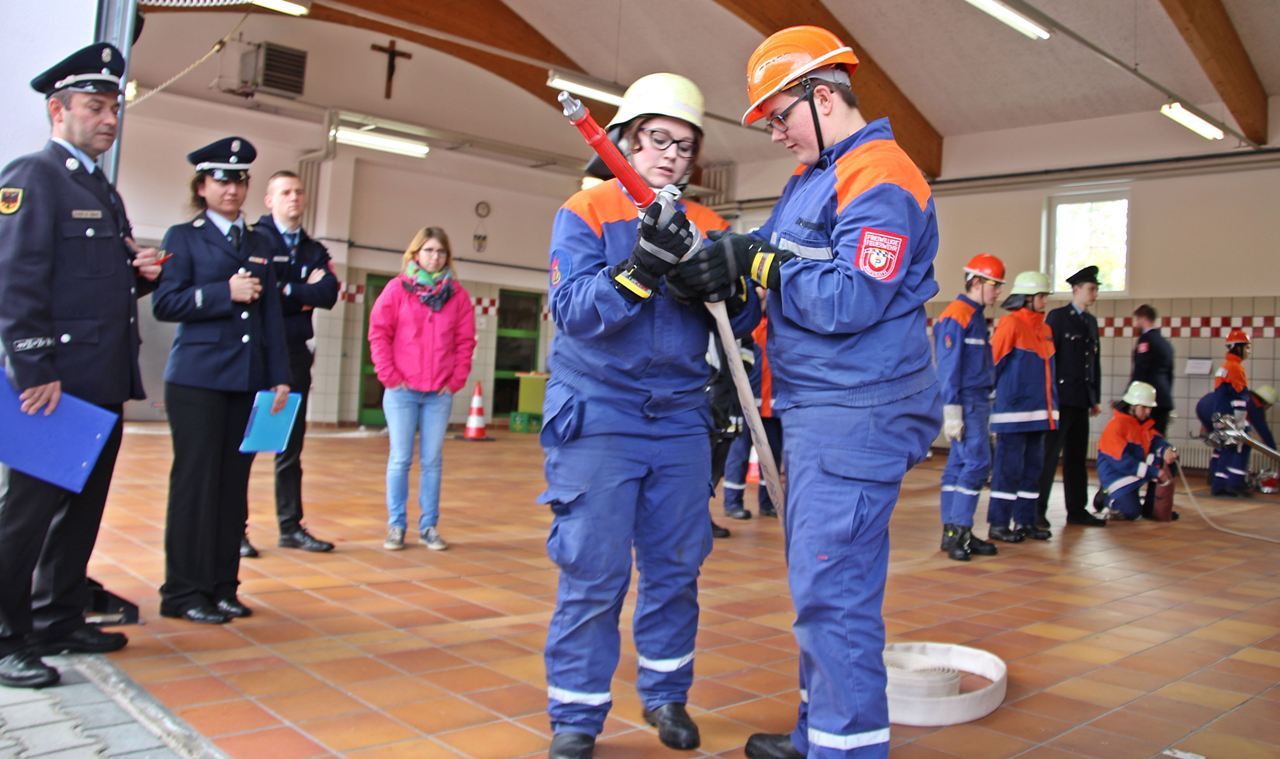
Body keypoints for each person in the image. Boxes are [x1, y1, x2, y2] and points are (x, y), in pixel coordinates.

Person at [673, 27, 941, 759]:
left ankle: (845, 748)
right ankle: (819, 730)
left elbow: (850, 297)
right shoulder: (811, 181)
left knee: (835, 588)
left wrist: (756, 262)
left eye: (780, 114)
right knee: (821, 581)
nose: (774, 131)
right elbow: (773, 282)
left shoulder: (881, 175)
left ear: (825, 97)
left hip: (861, 408)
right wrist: (723, 275)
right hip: (822, 404)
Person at [538, 73, 757, 759]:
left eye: (684, 146)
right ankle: (576, 712)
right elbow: (572, 312)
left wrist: (732, 284)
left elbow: (742, 316)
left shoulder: (710, 224)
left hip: (680, 417)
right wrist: (635, 271)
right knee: (594, 568)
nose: (670, 154)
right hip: (599, 412)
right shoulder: (587, 210)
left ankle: (666, 693)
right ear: (628, 141)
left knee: (675, 564)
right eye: (658, 139)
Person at [0, 43, 165, 688]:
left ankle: (57, 618)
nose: (108, 119)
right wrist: (34, 370)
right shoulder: (31, 178)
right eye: (95, 107)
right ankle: (7, 636)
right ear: (57, 110)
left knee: (81, 510)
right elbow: (16, 284)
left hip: (101, 381)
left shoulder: (99, 187)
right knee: (29, 514)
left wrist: (140, 274)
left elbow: (100, 284)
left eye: (113, 109)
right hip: (55, 385)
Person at [152, 137, 291, 624]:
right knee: (195, 484)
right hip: (197, 379)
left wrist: (279, 377)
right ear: (202, 185)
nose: (232, 189)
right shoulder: (182, 236)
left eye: (240, 180)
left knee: (233, 486)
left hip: (246, 379)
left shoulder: (259, 242)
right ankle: (183, 591)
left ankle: (222, 585)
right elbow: (165, 304)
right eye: (222, 180)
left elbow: (272, 314)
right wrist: (221, 292)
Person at [237, 170, 339, 558]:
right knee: (245, 445)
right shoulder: (252, 239)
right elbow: (258, 294)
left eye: (298, 192)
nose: (293, 198)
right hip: (256, 355)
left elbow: (328, 292)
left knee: (289, 447)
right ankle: (236, 530)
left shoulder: (314, 249)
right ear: (269, 200)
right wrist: (300, 291)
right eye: (285, 192)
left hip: (296, 355)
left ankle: (290, 527)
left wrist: (285, 289)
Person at [367, 228, 475, 552]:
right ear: (415, 254)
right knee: (400, 459)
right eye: (428, 251)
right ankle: (396, 526)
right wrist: (389, 376)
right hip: (401, 391)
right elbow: (378, 333)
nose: (435, 257)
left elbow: (465, 341)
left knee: (432, 461)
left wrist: (454, 381)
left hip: (438, 394)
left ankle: (429, 526)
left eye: (441, 252)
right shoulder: (396, 290)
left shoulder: (457, 295)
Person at [934, 254, 1004, 561]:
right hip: (967, 400)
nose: (998, 292)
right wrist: (952, 411)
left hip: (975, 400)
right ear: (976, 282)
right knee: (976, 465)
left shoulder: (974, 315)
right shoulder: (958, 315)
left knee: (958, 466)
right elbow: (948, 367)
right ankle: (959, 530)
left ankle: (953, 533)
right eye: (994, 285)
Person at [985, 272, 1056, 544]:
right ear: (1026, 298)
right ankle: (999, 524)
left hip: (1040, 414)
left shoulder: (1045, 329)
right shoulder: (1010, 324)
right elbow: (992, 363)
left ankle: (1026, 521)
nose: (1044, 301)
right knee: (1007, 470)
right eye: (1041, 296)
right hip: (1013, 415)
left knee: (1032, 471)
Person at [1036, 266, 1104, 528]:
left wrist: (1094, 396)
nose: (1094, 294)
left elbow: (1092, 363)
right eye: (1091, 289)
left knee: (1077, 458)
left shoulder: (1090, 322)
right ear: (1076, 290)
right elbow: (1050, 360)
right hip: (1060, 398)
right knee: (1049, 456)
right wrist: (1048, 396)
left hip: (1081, 399)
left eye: (1096, 289)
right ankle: (1037, 510)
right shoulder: (1058, 318)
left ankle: (1077, 510)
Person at [723, 293, 783, 520]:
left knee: (772, 455)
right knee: (738, 454)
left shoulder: (776, 324)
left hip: (772, 405)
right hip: (746, 402)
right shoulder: (747, 323)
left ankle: (767, 502)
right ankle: (732, 501)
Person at [1096, 382, 1177, 520]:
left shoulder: (1142, 423)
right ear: (1132, 406)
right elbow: (1124, 463)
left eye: (1149, 408)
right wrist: (1155, 472)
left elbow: (1156, 440)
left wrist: (1167, 450)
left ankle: (1150, 507)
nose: (1148, 412)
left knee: (1169, 461)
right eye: (1144, 407)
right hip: (1116, 476)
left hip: (1133, 472)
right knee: (1131, 512)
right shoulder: (1116, 426)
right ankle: (1106, 497)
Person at [1199, 329, 1255, 496]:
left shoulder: (1224, 367)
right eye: (1247, 347)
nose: (1248, 351)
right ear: (1238, 347)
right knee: (1242, 446)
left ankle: (1219, 485)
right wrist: (1240, 425)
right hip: (1230, 417)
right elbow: (1239, 399)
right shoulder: (1236, 368)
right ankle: (1235, 484)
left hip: (1219, 416)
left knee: (1226, 449)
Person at [1129, 304, 1174, 437]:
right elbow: (1170, 375)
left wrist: (1130, 397)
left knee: (1145, 439)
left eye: (1137, 320)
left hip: (1147, 401)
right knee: (1159, 439)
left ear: (1142, 318)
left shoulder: (1145, 341)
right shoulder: (1165, 343)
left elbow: (1140, 370)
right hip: (1164, 399)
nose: (1136, 324)